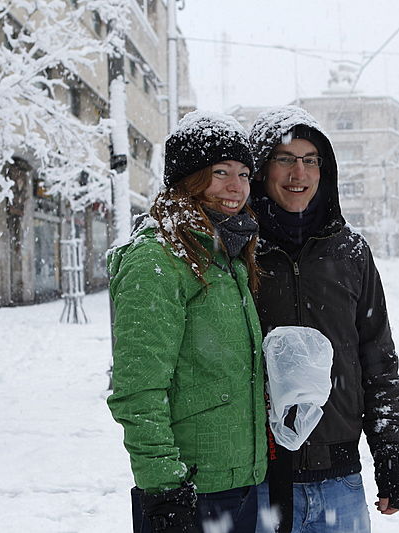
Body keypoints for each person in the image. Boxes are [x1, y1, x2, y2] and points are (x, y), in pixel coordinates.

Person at [107, 111, 267, 533]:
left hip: (239, 482)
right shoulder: (156, 259)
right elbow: (137, 388)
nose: (236, 187)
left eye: (244, 174)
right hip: (189, 491)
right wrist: (163, 489)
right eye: (220, 173)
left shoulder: (226, 254)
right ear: (189, 179)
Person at [249, 106, 399, 533]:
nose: (298, 172)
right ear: (262, 169)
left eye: (310, 160)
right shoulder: (240, 251)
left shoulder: (350, 252)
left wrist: (387, 456)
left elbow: (377, 359)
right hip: (260, 482)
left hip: (340, 481)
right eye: (284, 158)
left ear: (324, 171)